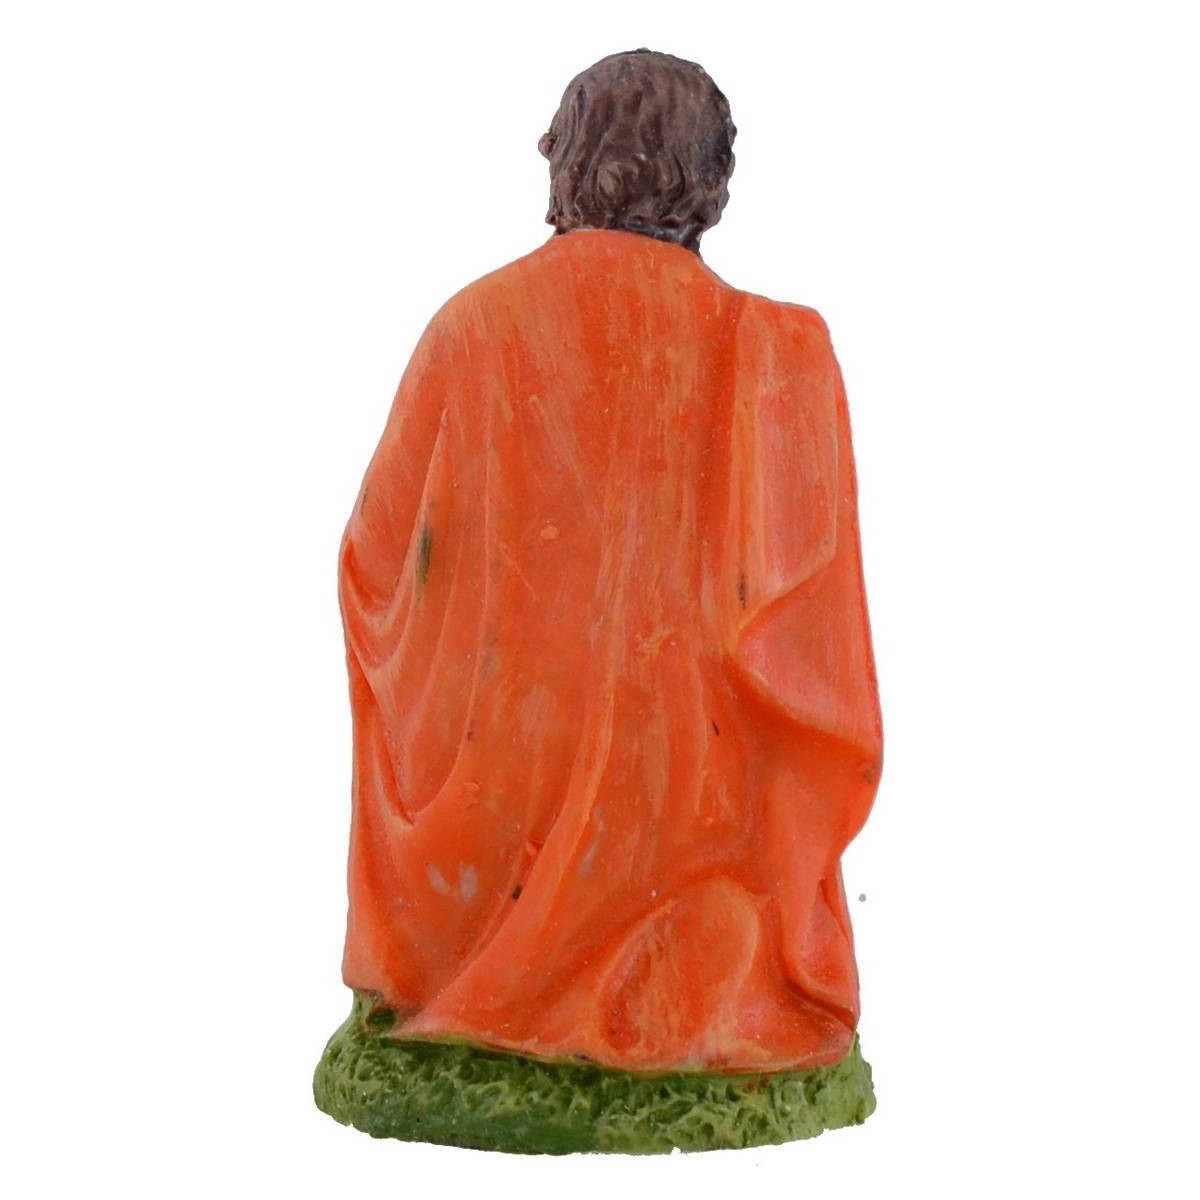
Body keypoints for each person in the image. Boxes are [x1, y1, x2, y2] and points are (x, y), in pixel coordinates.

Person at [323, 49, 882, 1131]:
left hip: (498, 813)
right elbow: (814, 661)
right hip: (705, 842)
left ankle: (494, 980)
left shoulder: (472, 328)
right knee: (714, 925)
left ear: (568, 158)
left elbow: (374, 565)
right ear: (709, 174)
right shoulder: (780, 353)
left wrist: (485, 652)